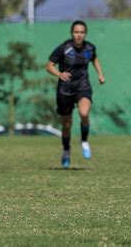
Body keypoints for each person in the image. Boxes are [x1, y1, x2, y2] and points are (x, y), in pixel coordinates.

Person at [46, 20, 106, 169]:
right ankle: (66, 150)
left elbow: (94, 59)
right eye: (76, 32)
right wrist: (59, 74)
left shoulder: (90, 48)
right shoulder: (64, 48)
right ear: (72, 33)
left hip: (82, 86)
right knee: (66, 125)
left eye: (82, 32)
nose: (79, 35)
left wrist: (100, 74)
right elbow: (49, 66)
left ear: (85, 33)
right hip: (65, 89)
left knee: (84, 113)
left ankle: (84, 141)